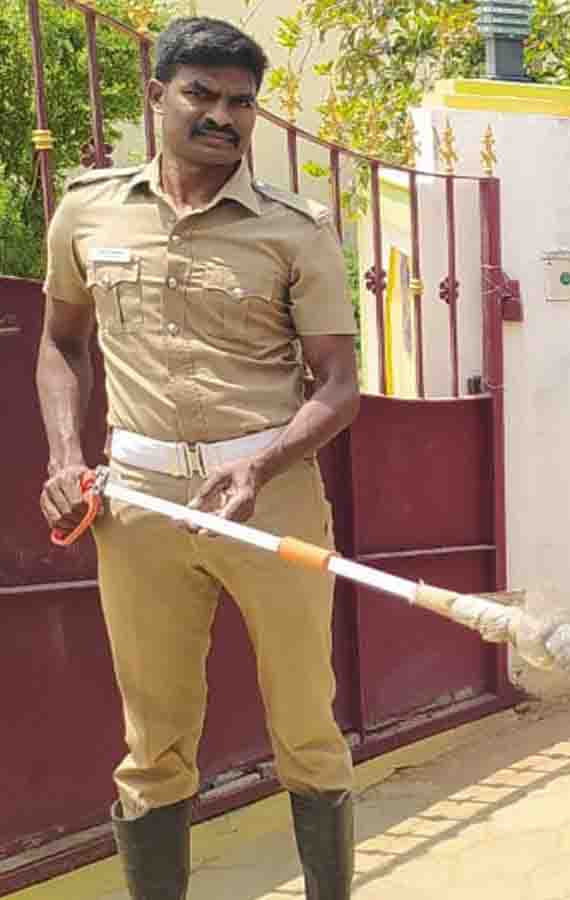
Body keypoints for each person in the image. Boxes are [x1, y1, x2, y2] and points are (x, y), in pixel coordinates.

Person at [36, 17, 360, 899]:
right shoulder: (88, 210)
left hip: (271, 497)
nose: (222, 117)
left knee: (307, 727)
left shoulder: (296, 230)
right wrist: (66, 458)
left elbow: (338, 384)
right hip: (138, 506)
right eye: (202, 96)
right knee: (154, 742)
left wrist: (259, 467)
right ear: (156, 97)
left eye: (240, 103)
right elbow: (62, 344)